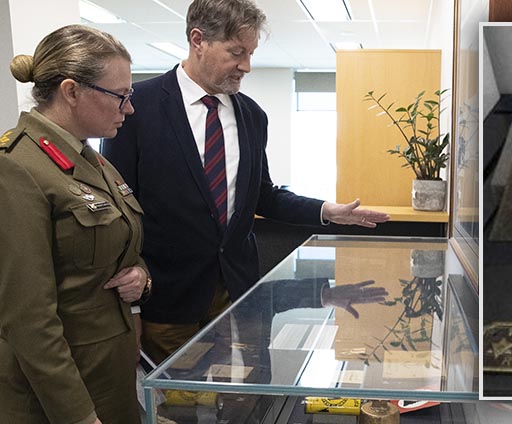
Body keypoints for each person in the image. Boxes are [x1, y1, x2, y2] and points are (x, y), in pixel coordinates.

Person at [101, 0, 390, 364]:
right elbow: (118, 210)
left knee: (245, 401)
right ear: (198, 40)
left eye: (250, 53)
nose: (247, 66)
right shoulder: (135, 108)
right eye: (237, 52)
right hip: (166, 298)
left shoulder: (252, 115)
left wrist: (326, 211)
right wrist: (133, 310)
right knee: (177, 408)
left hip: (238, 294)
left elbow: (263, 196)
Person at [0, 25, 147, 424]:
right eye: (121, 96)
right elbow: (27, 316)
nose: (129, 109)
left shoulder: (91, 160)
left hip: (108, 378)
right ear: (71, 91)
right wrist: (76, 417)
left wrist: (141, 279)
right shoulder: (17, 166)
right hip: (58, 400)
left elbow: (120, 250)